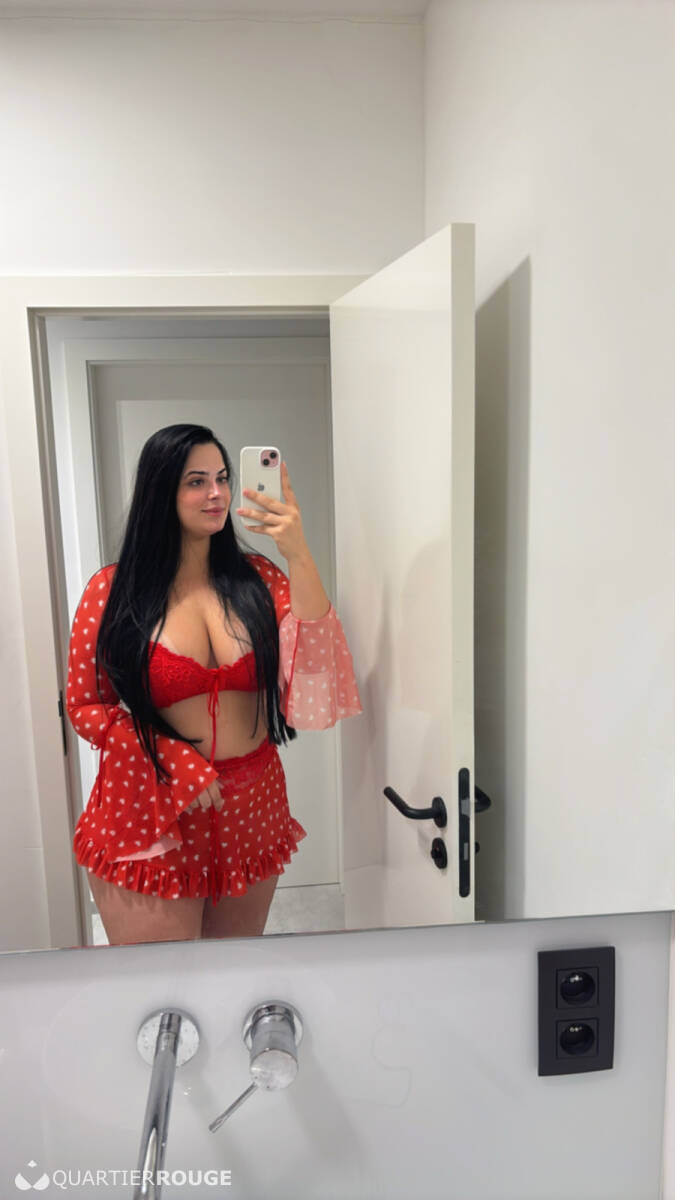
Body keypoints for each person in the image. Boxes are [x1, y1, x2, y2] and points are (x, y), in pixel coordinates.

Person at [66, 423, 361, 946]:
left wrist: (296, 551)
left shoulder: (259, 579)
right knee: (163, 988)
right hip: (153, 806)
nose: (217, 493)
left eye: (222, 478)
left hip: (252, 806)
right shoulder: (112, 591)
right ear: (161, 491)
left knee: (233, 980)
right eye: (196, 481)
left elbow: (316, 664)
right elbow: (85, 706)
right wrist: (172, 757)